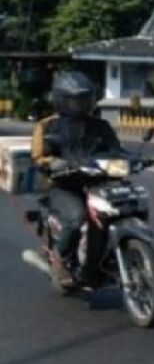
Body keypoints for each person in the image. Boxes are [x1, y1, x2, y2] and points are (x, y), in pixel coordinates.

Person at [31, 71, 123, 288]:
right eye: (74, 99)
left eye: (84, 98)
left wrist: (135, 159)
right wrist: (54, 163)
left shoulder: (101, 126)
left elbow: (116, 151)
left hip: (98, 183)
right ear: (61, 99)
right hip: (63, 186)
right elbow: (39, 156)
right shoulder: (48, 126)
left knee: (121, 209)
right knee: (76, 217)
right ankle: (60, 260)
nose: (80, 104)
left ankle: (104, 260)